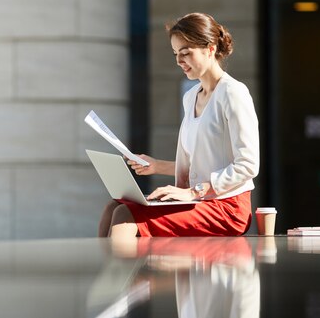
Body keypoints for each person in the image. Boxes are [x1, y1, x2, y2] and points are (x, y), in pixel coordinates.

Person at [98, 12, 260, 238]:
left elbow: (248, 165)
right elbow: (200, 162)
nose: (179, 61)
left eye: (185, 53)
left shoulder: (233, 93)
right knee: (113, 208)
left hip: (227, 207)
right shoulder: (191, 96)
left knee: (126, 215)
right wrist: (155, 166)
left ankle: (124, 273)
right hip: (199, 199)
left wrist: (194, 192)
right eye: (176, 54)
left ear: (210, 48)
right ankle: (120, 273)